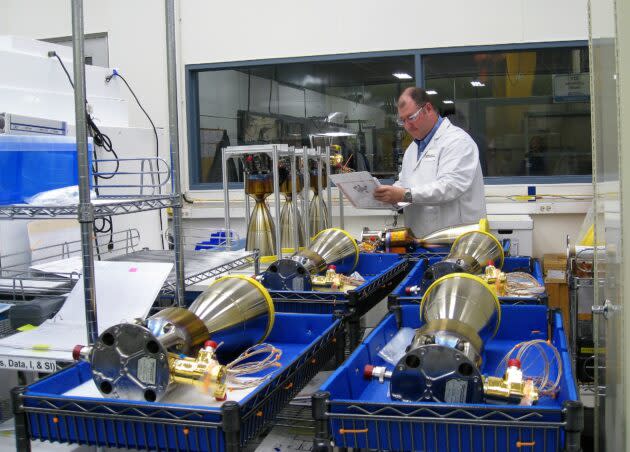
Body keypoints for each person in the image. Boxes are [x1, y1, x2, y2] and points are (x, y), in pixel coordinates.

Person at [374, 87, 486, 237]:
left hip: (456, 238)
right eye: (403, 121)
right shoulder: (412, 149)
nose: (407, 126)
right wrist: (387, 195)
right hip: (420, 239)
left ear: (427, 108)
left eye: (411, 117)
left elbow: (449, 186)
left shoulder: (458, 141)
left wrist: (404, 194)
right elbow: (406, 184)